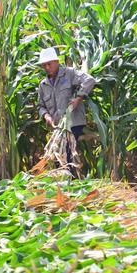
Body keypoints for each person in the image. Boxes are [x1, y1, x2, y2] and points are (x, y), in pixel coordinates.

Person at [37, 47, 96, 177]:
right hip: (58, 126)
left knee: (67, 152)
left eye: (49, 64)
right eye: (44, 65)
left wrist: (78, 98)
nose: (47, 67)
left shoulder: (69, 74)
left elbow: (90, 80)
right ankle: (67, 184)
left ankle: (69, 183)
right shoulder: (43, 85)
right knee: (58, 156)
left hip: (73, 122)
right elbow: (40, 106)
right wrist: (46, 116)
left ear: (57, 61)